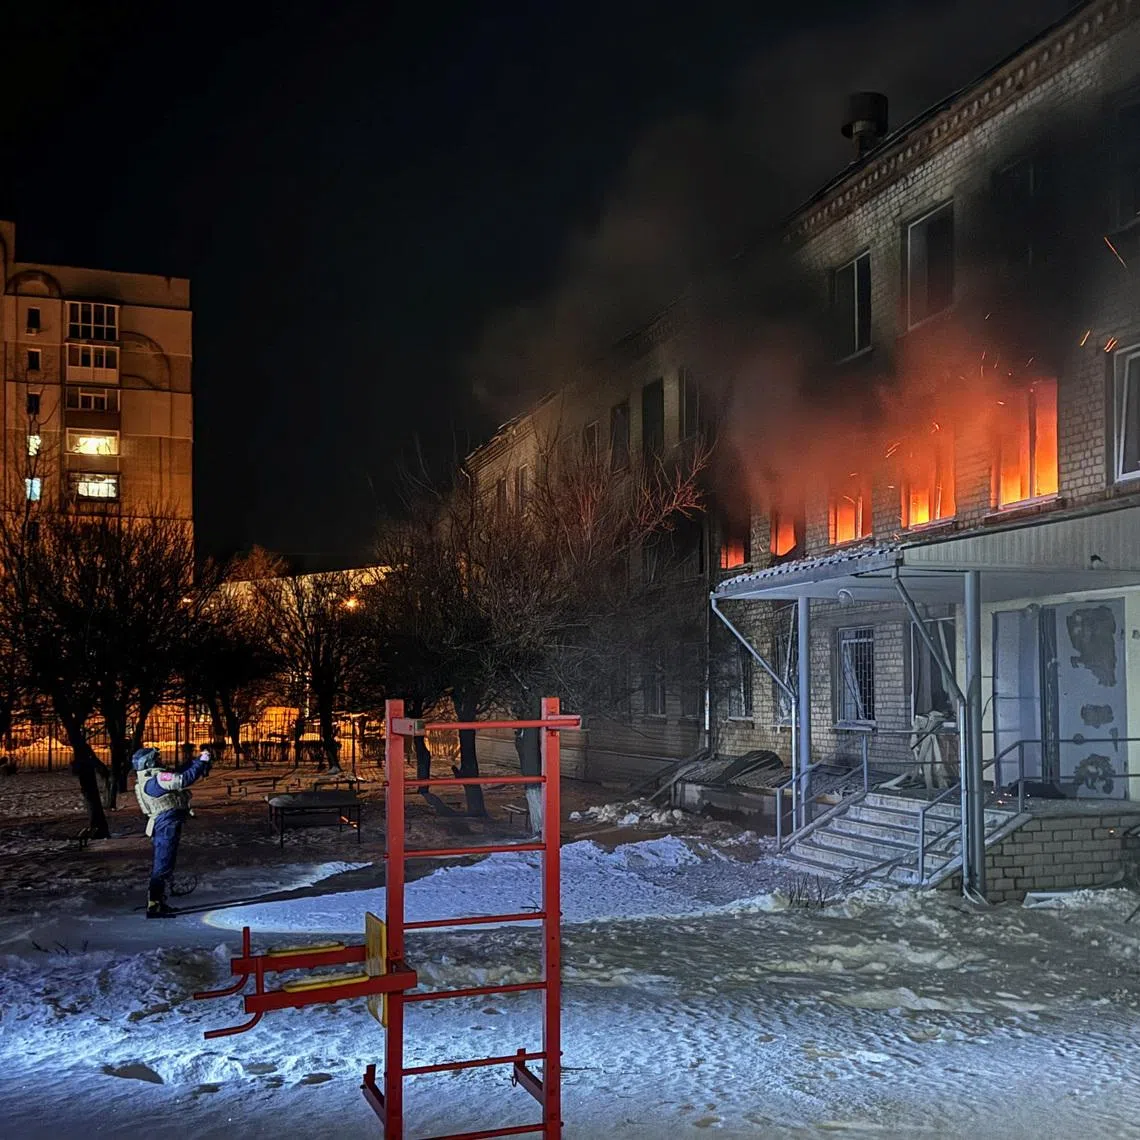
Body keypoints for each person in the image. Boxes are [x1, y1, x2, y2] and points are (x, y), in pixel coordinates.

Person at [134, 744, 213, 918]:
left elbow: (179, 771)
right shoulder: (156, 780)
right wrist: (202, 762)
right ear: (149, 763)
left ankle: (158, 902)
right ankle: (154, 906)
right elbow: (183, 778)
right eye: (157, 759)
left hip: (165, 823)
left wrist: (198, 760)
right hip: (166, 824)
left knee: (164, 864)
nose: (160, 761)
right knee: (162, 865)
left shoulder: (151, 778)